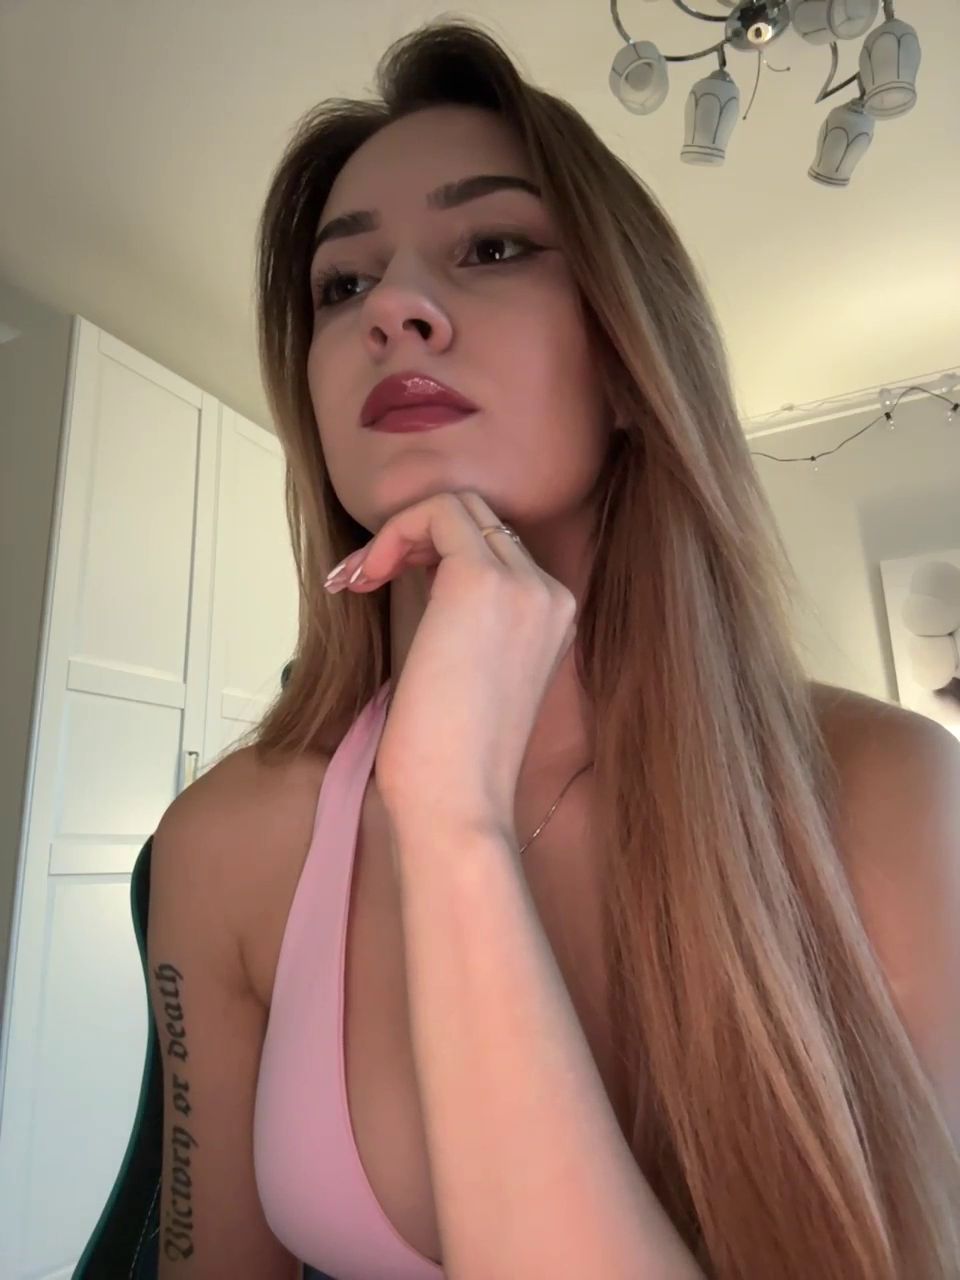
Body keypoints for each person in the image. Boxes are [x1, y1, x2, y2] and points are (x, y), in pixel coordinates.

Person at [146, 19, 960, 1280]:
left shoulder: (892, 787)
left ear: (630, 361)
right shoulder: (225, 844)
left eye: (493, 246)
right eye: (343, 284)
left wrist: (452, 817)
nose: (393, 308)